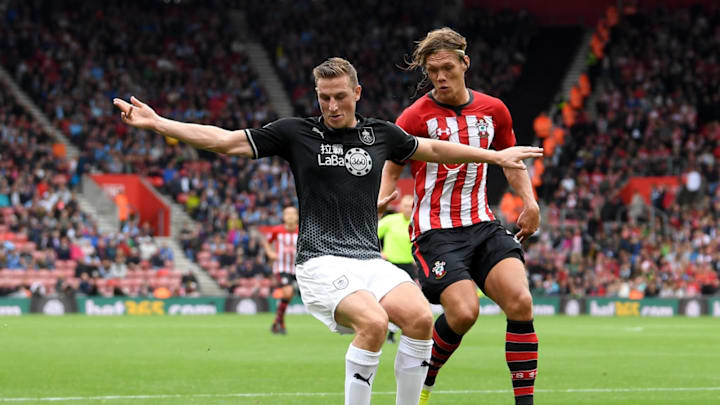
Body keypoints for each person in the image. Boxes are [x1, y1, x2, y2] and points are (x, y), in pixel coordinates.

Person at [113, 56, 541, 405]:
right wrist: (159, 124)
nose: (332, 106)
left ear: (356, 93)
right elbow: (225, 140)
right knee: (373, 323)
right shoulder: (296, 133)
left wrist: (493, 157)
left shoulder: (380, 134)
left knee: (419, 319)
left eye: (339, 97)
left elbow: (431, 149)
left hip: (369, 261)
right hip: (320, 260)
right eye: (324, 98)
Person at [379, 28, 541, 405]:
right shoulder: (415, 116)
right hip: (436, 232)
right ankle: (427, 378)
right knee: (465, 312)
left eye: (447, 67)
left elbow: (510, 160)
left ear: (464, 63)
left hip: (482, 224)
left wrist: (529, 202)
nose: (439, 76)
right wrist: (382, 199)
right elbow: (393, 164)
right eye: (432, 70)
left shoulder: (494, 110)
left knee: (520, 301)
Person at [378, 194, 418, 343]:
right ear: (401, 207)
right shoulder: (390, 221)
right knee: (385, 299)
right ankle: (381, 328)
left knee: (408, 302)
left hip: (409, 266)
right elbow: (372, 234)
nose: (408, 209)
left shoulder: (417, 223)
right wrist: (379, 252)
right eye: (406, 206)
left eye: (411, 206)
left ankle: (394, 331)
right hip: (391, 265)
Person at [261, 205, 299, 335]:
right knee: (288, 291)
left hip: (298, 268)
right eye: (287, 214)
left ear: (297, 217)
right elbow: (266, 241)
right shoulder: (277, 230)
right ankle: (279, 323)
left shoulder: (302, 231)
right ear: (283, 217)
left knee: (288, 296)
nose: (290, 216)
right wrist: (270, 253)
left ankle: (277, 323)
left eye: (292, 214)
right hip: (282, 267)